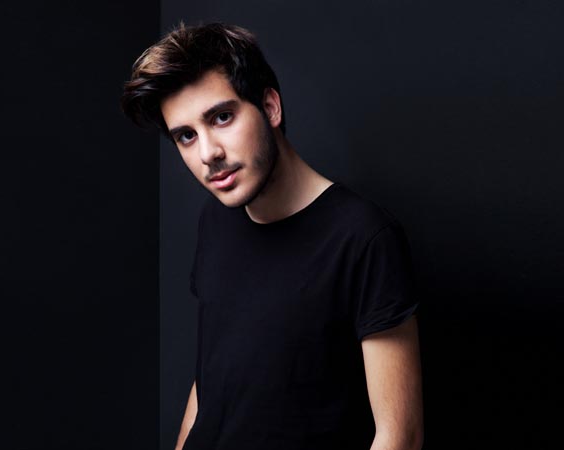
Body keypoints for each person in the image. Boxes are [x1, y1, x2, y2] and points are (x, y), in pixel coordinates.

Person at [121, 22, 424, 450]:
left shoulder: (364, 238)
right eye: (186, 136)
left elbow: (400, 436)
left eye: (221, 117)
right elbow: (211, 378)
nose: (208, 153)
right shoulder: (216, 219)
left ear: (270, 106)